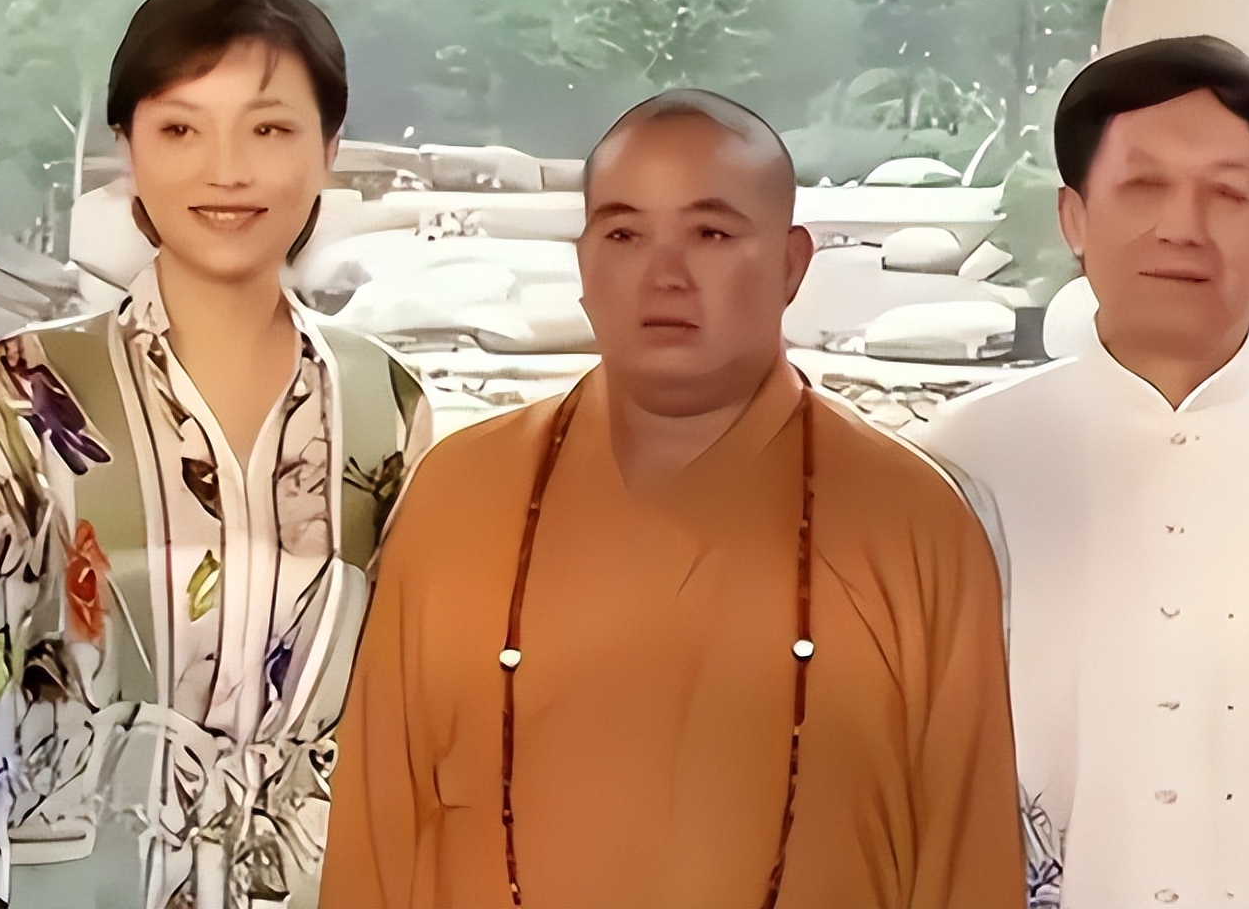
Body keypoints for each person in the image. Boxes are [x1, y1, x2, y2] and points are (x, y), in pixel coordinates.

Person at [319, 89, 1023, 908]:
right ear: (583, 263)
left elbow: (967, 862)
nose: (665, 276)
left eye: (711, 234)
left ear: (792, 265)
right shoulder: (460, 495)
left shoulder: (914, 523)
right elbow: (375, 835)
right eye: (623, 234)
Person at [0, 0, 430, 909]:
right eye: (181, 128)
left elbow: (410, 711)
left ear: (329, 147)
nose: (227, 170)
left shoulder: (386, 403)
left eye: (269, 129)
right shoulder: (23, 392)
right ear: (128, 148)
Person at [903, 0, 1249, 908]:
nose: (1181, 227)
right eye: (1143, 185)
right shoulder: (963, 460)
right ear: (1074, 217)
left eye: (1229, 193)